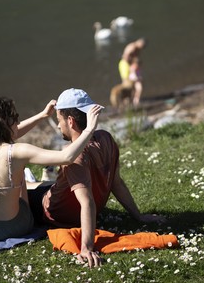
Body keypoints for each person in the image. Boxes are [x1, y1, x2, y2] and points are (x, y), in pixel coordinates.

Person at [29, 88, 166, 268]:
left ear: (70, 121)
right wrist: (138, 216)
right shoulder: (106, 139)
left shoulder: (74, 157)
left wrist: (86, 248)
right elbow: (116, 183)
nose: (58, 125)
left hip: (51, 212)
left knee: (23, 189)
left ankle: (32, 179)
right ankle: (41, 179)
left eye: (58, 120)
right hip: (65, 199)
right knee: (44, 185)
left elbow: (87, 203)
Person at [0, 97, 102, 243]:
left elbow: (12, 132)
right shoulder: (17, 152)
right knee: (17, 168)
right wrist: (89, 129)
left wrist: (43, 115)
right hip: (18, 226)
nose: (19, 122)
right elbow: (67, 157)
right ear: (5, 123)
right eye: (15, 118)